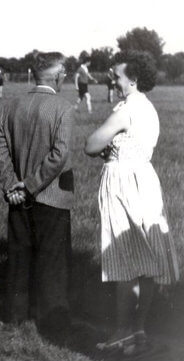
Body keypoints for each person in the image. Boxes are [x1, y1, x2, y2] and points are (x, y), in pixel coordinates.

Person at [85, 51, 179, 356]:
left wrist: (107, 150)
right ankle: (137, 329)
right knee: (146, 261)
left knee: (125, 260)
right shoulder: (148, 108)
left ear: (133, 79)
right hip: (145, 181)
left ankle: (122, 332)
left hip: (124, 183)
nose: (113, 80)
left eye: (117, 76)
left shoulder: (126, 109)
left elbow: (91, 144)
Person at [0, 52, 74, 343]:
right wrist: (30, 185)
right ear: (57, 76)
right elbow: (59, 154)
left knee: (19, 256)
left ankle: (15, 315)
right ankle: (52, 322)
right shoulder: (63, 107)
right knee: (52, 260)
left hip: (17, 199)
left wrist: (12, 185)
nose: (66, 76)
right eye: (64, 72)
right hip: (51, 197)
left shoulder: (11, 105)